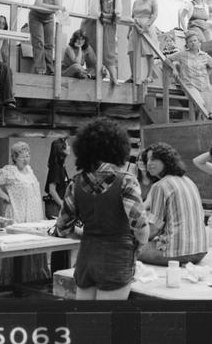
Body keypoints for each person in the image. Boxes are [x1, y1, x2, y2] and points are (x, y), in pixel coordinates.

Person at [50, 118, 149, 300]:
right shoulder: (126, 180)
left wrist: (86, 236)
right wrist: (140, 245)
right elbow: (140, 226)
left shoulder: (75, 183)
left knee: (86, 322)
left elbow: (62, 228)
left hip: (86, 260)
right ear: (118, 148)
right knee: (108, 324)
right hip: (117, 260)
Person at [0, 142, 50, 285]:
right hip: (18, 214)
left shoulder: (29, 170)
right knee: (19, 248)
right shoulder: (10, 171)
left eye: (28, 155)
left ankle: (34, 280)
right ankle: (15, 282)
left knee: (34, 245)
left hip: (33, 214)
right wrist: (6, 197)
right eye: (22, 156)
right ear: (15, 157)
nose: (26, 159)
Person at [139, 142, 207, 265]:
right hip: (200, 251)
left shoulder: (160, 185)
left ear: (166, 160)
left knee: (131, 248)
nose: (149, 163)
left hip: (177, 254)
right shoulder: (188, 180)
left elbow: (154, 228)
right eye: (147, 160)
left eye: (154, 159)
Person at [168, 31, 212, 113]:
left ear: (199, 42)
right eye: (190, 41)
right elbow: (167, 59)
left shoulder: (204, 55)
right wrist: (174, 69)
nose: (193, 43)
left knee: (209, 111)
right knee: (200, 104)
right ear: (187, 44)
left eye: (195, 40)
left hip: (205, 86)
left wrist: (207, 74)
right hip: (190, 85)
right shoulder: (182, 54)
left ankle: (202, 123)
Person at [84, 0, 123, 85]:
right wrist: (109, 16)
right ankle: (93, 75)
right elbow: (94, 13)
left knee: (109, 51)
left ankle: (113, 78)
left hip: (109, 27)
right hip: (93, 26)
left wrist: (103, 16)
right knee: (93, 49)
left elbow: (118, 14)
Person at [44, 137, 72, 274]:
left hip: (61, 207)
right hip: (55, 208)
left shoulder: (62, 167)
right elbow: (52, 190)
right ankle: (57, 275)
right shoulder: (56, 167)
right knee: (59, 244)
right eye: (67, 145)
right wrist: (63, 205)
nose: (70, 147)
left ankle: (62, 273)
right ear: (61, 149)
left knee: (64, 245)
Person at [29, 0, 66, 75]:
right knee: (39, 42)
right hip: (36, 16)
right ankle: (40, 68)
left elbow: (59, 6)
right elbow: (38, 4)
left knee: (49, 44)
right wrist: (57, 7)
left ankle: (50, 69)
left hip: (49, 17)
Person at [127, 0, 159, 84]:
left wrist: (145, 27)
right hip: (135, 26)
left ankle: (149, 76)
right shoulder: (136, 2)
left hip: (147, 27)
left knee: (149, 51)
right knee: (132, 50)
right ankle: (133, 76)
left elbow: (154, 15)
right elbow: (132, 16)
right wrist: (129, 30)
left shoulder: (153, 1)